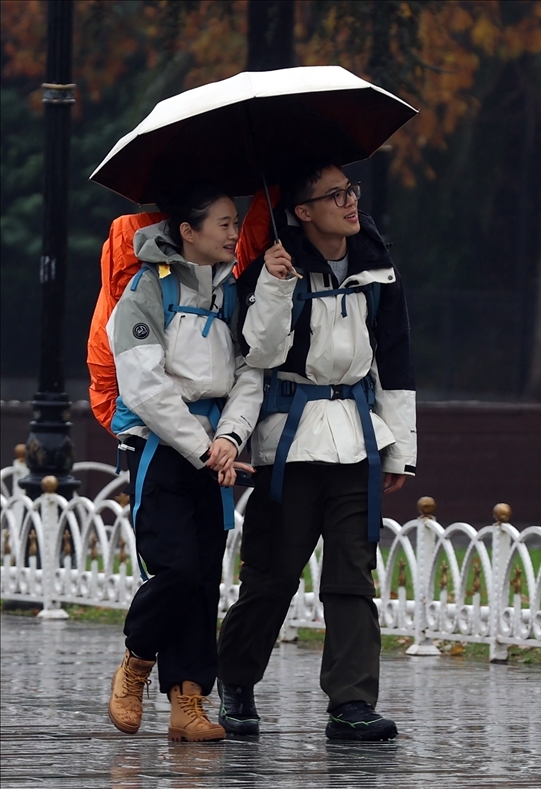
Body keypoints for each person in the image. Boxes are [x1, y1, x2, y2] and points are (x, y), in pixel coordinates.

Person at [216, 158, 416, 742]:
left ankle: (351, 704)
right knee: (272, 576)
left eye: (350, 190)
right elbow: (257, 352)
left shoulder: (379, 269)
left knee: (353, 575)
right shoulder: (270, 270)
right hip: (290, 444)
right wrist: (276, 284)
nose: (350, 203)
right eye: (335, 195)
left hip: (359, 439)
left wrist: (399, 449)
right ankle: (234, 681)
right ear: (303, 213)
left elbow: (396, 365)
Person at [106, 182, 262, 742]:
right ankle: (136, 663)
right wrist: (202, 447)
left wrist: (230, 437)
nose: (232, 232)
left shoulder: (232, 294)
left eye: (235, 222)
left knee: (202, 579)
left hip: (215, 449)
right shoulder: (146, 291)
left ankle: (188, 702)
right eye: (222, 223)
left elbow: (250, 373)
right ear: (187, 232)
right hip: (161, 449)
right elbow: (144, 386)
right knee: (172, 568)